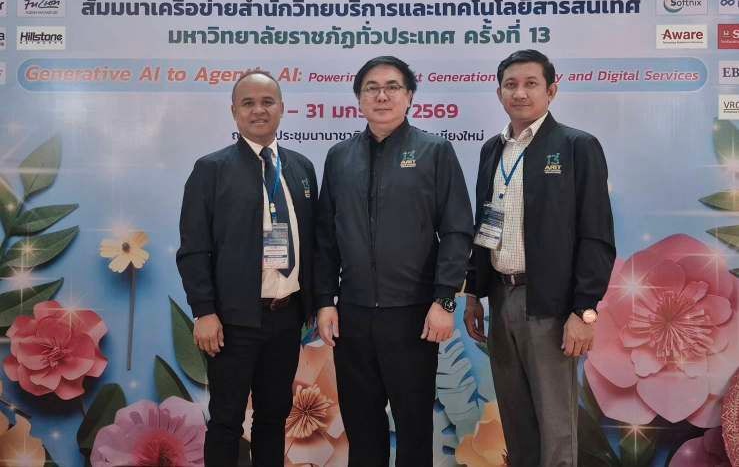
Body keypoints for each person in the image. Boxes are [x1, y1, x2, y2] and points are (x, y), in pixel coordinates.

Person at [314, 55, 474, 466]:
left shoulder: (435, 151)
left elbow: (457, 231)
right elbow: (325, 237)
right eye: (372, 88)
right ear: (359, 98)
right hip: (353, 316)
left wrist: (444, 301)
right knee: (362, 428)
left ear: (410, 96)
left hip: (414, 315)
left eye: (392, 87)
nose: (381, 96)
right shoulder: (339, 156)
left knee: (414, 428)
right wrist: (325, 301)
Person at [463, 49, 616, 467]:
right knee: (517, 422)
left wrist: (584, 311)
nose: (520, 93)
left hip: (551, 304)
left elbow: (596, 235)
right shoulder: (492, 151)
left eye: (531, 84)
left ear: (551, 90)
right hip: (501, 298)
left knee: (555, 425)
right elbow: (484, 224)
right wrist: (475, 293)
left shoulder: (576, 146)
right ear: (499, 93)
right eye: (510, 85)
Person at [176, 71, 318, 467]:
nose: (259, 110)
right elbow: (194, 248)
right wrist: (204, 311)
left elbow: (316, 242)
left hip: (286, 317)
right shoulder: (211, 169)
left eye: (267, 102)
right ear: (234, 112)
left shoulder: (301, 168)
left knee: (273, 417)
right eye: (248, 103)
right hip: (232, 321)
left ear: (282, 108)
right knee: (226, 420)